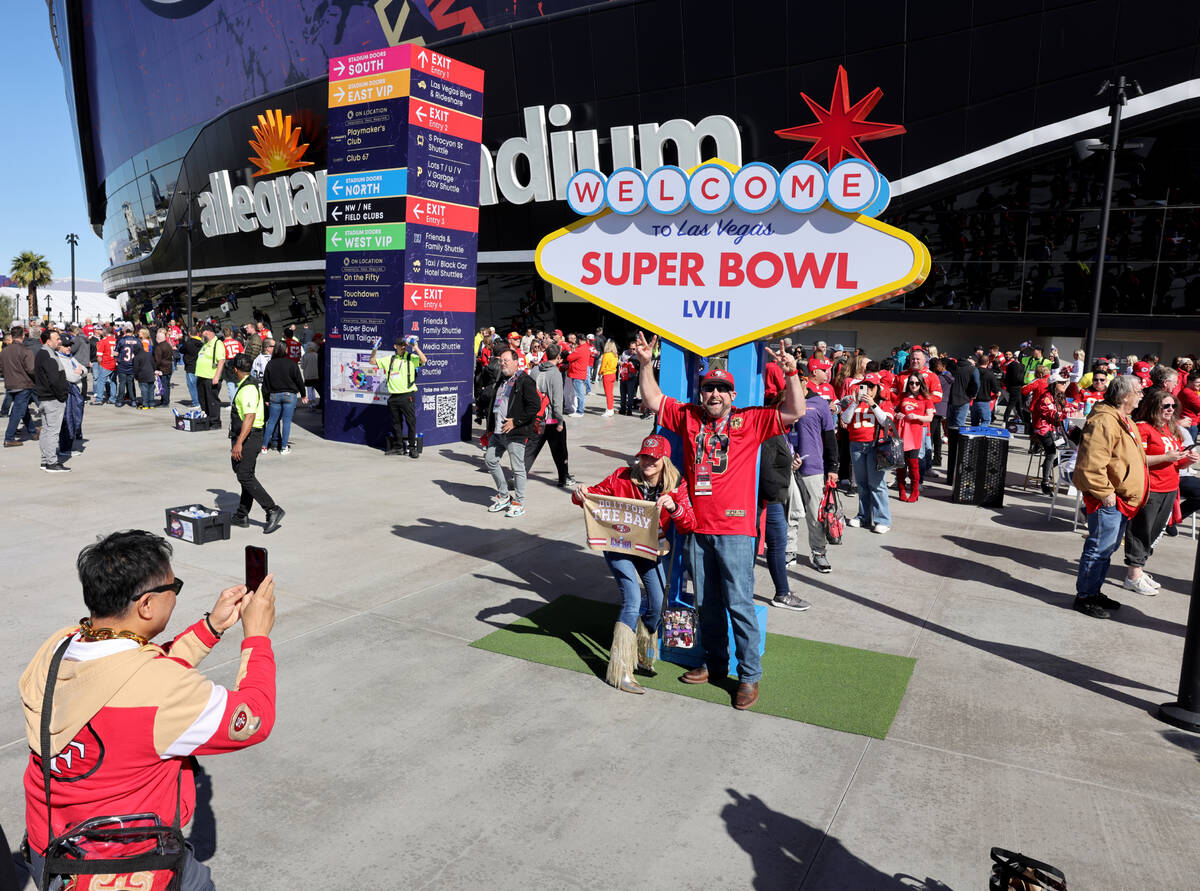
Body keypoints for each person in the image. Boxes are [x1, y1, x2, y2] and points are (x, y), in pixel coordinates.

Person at [20, 530, 276, 891]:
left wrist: (211, 627)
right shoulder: (161, 690)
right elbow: (254, 719)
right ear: (146, 605)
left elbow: (132, 670)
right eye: (174, 589)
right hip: (127, 868)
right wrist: (258, 636)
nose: (175, 596)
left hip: (52, 853)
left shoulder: (58, 648)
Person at [634, 333, 808, 711]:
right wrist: (647, 364)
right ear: (701, 394)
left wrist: (793, 374)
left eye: (721, 389)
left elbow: (795, 413)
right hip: (696, 528)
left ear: (732, 395)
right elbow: (652, 400)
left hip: (735, 531)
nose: (714, 395)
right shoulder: (689, 418)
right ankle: (714, 665)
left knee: (739, 603)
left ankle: (748, 676)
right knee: (707, 604)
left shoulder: (752, 421)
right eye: (708, 389)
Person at [572, 434, 695, 693]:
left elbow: (689, 524)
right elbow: (592, 497)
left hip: (651, 549)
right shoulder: (622, 476)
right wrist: (579, 493)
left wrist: (674, 507)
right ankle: (621, 669)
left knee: (657, 601)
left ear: (664, 459)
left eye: (653, 457)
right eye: (644, 456)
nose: (647, 461)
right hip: (619, 546)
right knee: (632, 598)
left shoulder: (677, 484)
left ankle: (639, 647)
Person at [1071, 375, 1148, 618]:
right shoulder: (1105, 420)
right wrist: (1105, 493)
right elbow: (1091, 463)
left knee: (1106, 548)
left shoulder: (1124, 419)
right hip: (1109, 499)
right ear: (1124, 396)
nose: (1142, 395)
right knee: (1098, 548)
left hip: (1122, 499)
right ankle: (1085, 596)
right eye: (1138, 391)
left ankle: (1093, 591)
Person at [1122, 388, 1198, 594]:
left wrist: (1186, 461)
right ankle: (1133, 574)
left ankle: (1139, 569)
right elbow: (1137, 459)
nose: (1171, 409)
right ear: (1155, 406)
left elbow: (1177, 463)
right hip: (1150, 488)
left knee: (1154, 532)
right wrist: (1167, 458)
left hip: (1170, 487)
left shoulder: (1170, 429)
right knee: (1141, 530)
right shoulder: (1143, 428)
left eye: (1173, 406)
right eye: (1166, 406)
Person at [786, 364, 837, 573]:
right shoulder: (784, 402)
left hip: (814, 467)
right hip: (788, 467)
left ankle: (819, 552)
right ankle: (789, 550)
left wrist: (833, 466)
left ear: (805, 379)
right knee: (789, 511)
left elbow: (830, 437)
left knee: (816, 514)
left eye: (798, 379)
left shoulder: (820, 403)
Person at [228, 354, 285, 533]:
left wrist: (239, 443)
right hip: (249, 435)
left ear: (236, 370)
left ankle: (272, 509)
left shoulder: (247, 389)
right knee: (244, 473)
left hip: (250, 437)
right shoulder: (249, 384)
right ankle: (241, 514)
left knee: (244, 475)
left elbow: (250, 417)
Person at [484, 348, 539, 518]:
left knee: (518, 469)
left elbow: (534, 406)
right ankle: (504, 495)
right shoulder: (502, 380)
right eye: (501, 361)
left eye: (506, 361)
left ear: (516, 362)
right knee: (490, 460)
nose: (503, 364)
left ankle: (519, 502)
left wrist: (516, 421)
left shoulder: (525, 381)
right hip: (498, 432)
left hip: (515, 432)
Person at [760, 430, 808, 610]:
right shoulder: (770, 433)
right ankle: (782, 593)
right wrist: (774, 492)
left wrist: (792, 465)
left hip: (773, 498)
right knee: (778, 543)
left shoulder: (781, 432)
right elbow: (765, 467)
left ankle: (782, 592)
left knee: (778, 543)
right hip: (770, 500)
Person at [840, 372, 893, 531]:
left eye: (871, 387)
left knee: (877, 484)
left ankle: (882, 519)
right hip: (856, 445)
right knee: (862, 484)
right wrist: (855, 403)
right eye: (865, 386)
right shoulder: (855, 401)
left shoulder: (883, 402)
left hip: (875, 446)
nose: (868, 390)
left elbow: (886, 422)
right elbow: (846, 419)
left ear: (877, 388)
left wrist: (873, 404)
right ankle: (863, 516)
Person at [525, 344, 577, 488]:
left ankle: (518, 475)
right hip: (552, 419)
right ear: (559, 357)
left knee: (530, 449)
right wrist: (560, 421)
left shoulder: (535, 369)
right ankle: (563, 478)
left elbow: (528, 391)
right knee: (560, 450)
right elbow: (557, 400)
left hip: (537, 418)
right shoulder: (555, 374)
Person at [370, 335, 428, 457]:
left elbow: (424, 360)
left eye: (404, 345)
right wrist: (375, 349)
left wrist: (416, 347)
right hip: (394, 397)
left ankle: (412, 448)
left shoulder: (411, 357)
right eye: (401, 346)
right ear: (395, 347)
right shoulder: (390, 359)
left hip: (407, 396)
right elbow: (372, 362)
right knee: (396, 423)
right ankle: (398, 447)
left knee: (411, 422)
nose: (403, 347)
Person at [1031, 369, 1075, 493]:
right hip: (1042, 430)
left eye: (1064, 382)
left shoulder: (1059, 395)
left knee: (1072, 449)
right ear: (1053, 384)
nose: (1064, 384)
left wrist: (1074, 406)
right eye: (1061, 382)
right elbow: (1053, 416)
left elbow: (1067, 406)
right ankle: (1045, 483)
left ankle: (1049, 466)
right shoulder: (1045, 398)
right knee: (1051, 452)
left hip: (1055, 431)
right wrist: (1066, 413)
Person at [33, 328, 71, 473]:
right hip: (52, 399)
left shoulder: (43, 353)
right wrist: (62, 396)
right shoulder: (47, 355)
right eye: (57, 339)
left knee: (47, 430)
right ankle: (51, 462)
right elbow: (54, 379)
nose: (60, 341)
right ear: (48, 341)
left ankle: (45, 460)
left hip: (45, 398)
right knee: (52, 431)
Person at [894, 373, 935, 502]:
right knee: (900, 464)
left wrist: (917, 417)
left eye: (917, 383)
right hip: (901, 433)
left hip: (915, 434)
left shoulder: (926, 399)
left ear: (921, 384)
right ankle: (901, 489)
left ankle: (914, 490)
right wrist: (898, 414)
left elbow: (929, 418)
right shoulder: (902, 396)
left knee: (913, 464)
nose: (914, 386)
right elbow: (893, 410)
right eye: (911, 383)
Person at [262, 341, 307, 454]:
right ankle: (283, 448)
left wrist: (266, 398)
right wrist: (303, 394)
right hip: (289, 395)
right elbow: (299, 380)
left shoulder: (270, 364)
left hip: (274, 395)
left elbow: (265, 383)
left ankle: (264, 447)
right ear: (285, 350)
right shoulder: (291, 363)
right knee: (286, 422)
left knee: (272, 421)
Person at [1, 325, 39, 446]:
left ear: (12, 337)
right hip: (23, 384)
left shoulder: (4, 351)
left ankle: (33, 432)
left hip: (10, 384)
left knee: (22, 409)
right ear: (23, 336)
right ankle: (9, 437)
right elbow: (32, 369)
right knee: (18, 411)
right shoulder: (25, 351)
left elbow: (1, 369)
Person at [194, 326, 224, 424]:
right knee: (203, 400)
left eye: (203, 334)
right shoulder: (206, 344)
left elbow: (221, 361)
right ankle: (206, 419)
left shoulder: (217, 343)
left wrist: (216, 376)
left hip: (210, 377)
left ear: (208, 332)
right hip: (201, 377)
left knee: (212, 401)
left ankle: (215, 421)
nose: (203, 336)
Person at [114, 324, 141, 407]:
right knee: (130, 383)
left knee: (122, 383)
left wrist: (116, 360)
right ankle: (133, 400)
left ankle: (119, 401)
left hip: (122, 364)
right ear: (132, 332)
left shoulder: (121, 340)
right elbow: (141, 353)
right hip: (133, 364)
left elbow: (115, 352)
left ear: (125, 331)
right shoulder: (137, 341)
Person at [566, 337, 591, 416]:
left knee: (579, 394)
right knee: (580, 393)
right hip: (581, 372)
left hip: (577, 373)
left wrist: (572, 351)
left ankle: (580, 411)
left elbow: (569, 358)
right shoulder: (586, 348)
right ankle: (579, 410)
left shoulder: (580, 349)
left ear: (579, 340)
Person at [178, 324, 202, 407]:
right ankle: (200, 401)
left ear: (189, 334)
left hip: (190, 366)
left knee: (192, 385)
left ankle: (196, 402)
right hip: (200, 366)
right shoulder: (201, 343)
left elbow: (181, 350)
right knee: (199, 386)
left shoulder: (188, 343)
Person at [94, 325, 118, 405]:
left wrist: (100, 365)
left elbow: (99, 356)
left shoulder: (103, 341)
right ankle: (112, 398)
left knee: (101, 381)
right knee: (113, 381)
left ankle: (99, 399)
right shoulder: (116, 340)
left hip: (106, 363)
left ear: (105, 332)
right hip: (114, 363)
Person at [133, 337, 157, 409]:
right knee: (151, 390)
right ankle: (152, 404)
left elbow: (136, 368)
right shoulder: (148, 354)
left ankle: (145, 404)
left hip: (142, 376)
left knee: (144, 391)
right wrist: (153, 372)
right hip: (150, 375)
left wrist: (136, 376)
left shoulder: (137, 357)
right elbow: (154, 365)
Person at [153, 328, 174, 405]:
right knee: (167, 385)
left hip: (163, 369)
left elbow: (157, 360)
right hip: (169, 368)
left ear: (158, 338)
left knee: (164, 385)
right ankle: (165, 400)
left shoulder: (159, 347)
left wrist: (154, 369)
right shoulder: (168, 345)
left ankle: (165, 402)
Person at [598, 339, 619, 416]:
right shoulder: (615, 355)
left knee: (608, 394)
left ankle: (609, 410)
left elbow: (603, 366)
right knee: (610, 394)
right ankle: (610, 408)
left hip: (607, 375)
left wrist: (599, 372)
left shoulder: (606, 355)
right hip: (613, 374)